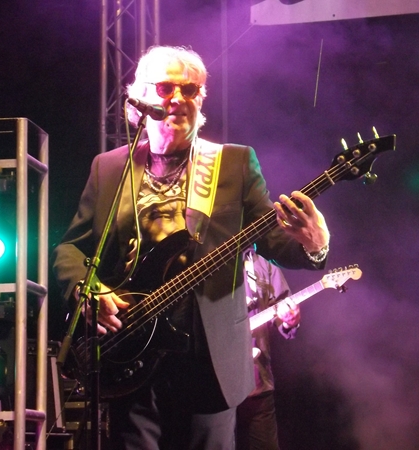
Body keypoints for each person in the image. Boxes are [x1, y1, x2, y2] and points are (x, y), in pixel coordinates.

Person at [52, 45, 330, 449]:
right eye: (166, 88)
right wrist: (87, 289)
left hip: (207, 358)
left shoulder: (233, 163)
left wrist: (316, 244)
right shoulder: (109, 167)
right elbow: (71, 250)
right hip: (130, 349)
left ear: (201, 99)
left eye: (190, 89)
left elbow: (272, 241)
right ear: (140, 96)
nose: (178, 98)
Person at [236, 248, 300, 450]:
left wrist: (290, 320)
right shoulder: (208, 259)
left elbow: (283, 311)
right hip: (217, 387)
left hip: (258, 383)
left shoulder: (265, 263)